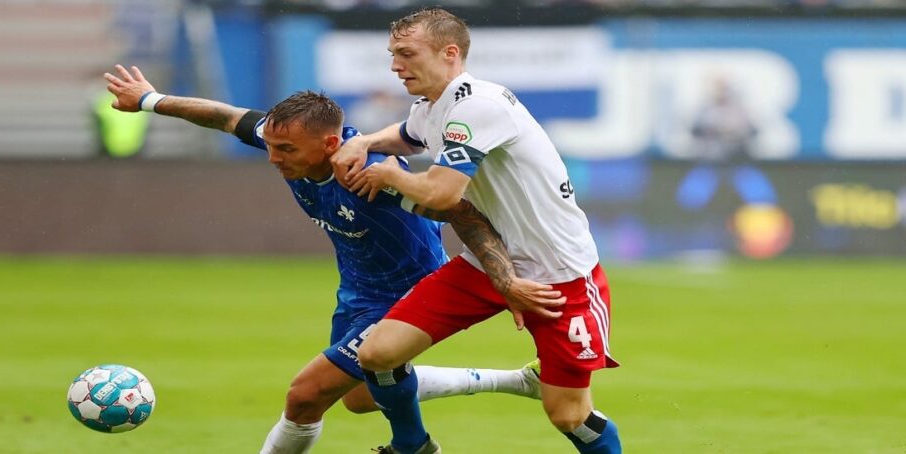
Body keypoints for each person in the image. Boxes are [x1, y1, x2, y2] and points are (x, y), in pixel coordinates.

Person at [103, 64, 561, 454]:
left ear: (328, 145)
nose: (273, 159)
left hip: (405, 296)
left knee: (304, 396)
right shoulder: (289, 140)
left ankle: (415, 446)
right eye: (271, 146)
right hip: (359, 291)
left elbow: (461, 212)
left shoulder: (368, 176)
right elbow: (226, 117)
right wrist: (149, 100)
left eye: (286, 151)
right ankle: (517, 383)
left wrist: (504, 280)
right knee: (359, 399)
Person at [331, 8, 622, 453]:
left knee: (569, 416)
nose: (395, 66)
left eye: (406, 54)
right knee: (377, 354)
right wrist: (365, 141)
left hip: (558, 278)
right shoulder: (434, 106)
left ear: (449, 53)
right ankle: (412, 446)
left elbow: (442, 194)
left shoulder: (478, 107)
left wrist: (390, 175)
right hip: (487, 263)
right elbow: (408, 135)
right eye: (392, 54)